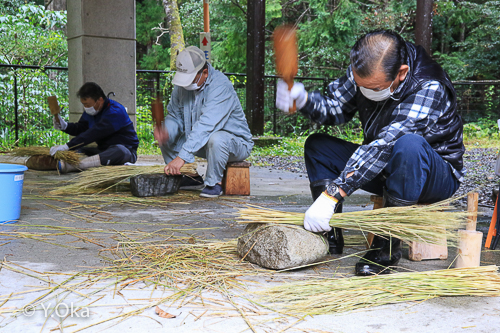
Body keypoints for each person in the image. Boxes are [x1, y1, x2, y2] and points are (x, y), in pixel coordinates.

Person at [276, 30, 465, 276]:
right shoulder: (364, 66)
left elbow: (387, 144)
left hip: (432, 173)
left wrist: (333, 193)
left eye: (374, 88)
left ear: (402, 73)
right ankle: (329, 232)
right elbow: (336, 108)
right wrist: (303, 100)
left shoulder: (428, 86)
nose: (366, 92)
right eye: (360, 85)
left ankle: (385, 248)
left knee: (408, 145)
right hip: (387, 168)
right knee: (318, 146)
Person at [154, 46, 253, 198]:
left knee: (217, 138)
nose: (186, 84)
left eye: (190, 79)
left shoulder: (220, 86)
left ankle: (214, 183)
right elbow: (175, 116)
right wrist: (166, 131)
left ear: (204, 73)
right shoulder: (181, 87)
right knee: (167, 136)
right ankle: (189, 176)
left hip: (235, 144)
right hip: (203, 142)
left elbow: (207, 126)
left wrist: (181, 158)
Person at [50, 82, 139, 173]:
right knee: (78, 150)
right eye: (83, 104)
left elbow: (93, 133)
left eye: (87, 104)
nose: (86, 107)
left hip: (126, 152)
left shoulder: (115, 112)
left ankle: (75, 166)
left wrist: (67, 146)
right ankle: (68, 163)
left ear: (100, 100)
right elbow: (81, 128)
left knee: (119, 151)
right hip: (103, 150)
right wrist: (65, 126)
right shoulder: (91, 111)